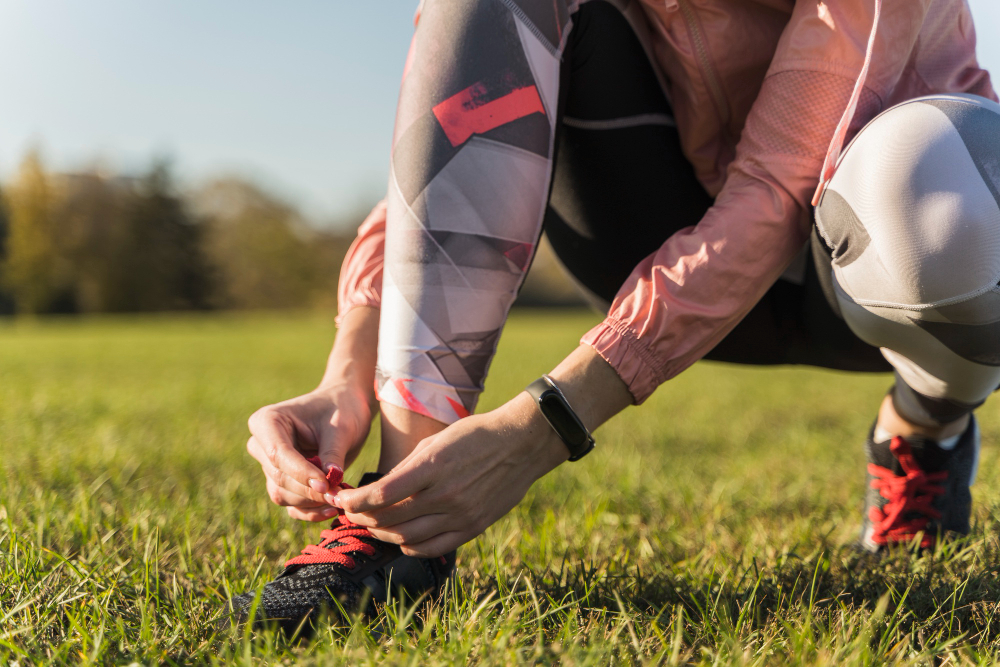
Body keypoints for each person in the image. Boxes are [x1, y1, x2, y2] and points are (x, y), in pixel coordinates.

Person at [221, 0, 1000, 632]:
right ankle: (400, 513)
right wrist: (351, 368)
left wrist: (541, 427)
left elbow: (773, 196)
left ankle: (924, 424)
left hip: (877, 277)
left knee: (935, 166)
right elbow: (462, 122)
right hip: (656, 236)